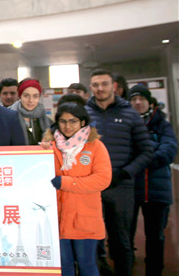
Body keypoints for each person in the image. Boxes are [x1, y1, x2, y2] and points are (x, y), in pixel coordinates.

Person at [85, 69, 153, 276]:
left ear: (113, 86)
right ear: (91, 87)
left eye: (104, 84)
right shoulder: (83, 114)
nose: (100, 88)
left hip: (120, 187)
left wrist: (124, 173)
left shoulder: (130, 114)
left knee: (121, 241)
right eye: (95, 85)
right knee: (90, 241)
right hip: (90, 187)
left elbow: (146, 151)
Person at [41, 102, 111, 276]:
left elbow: (102, 180)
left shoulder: (95, 146)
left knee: (87, 265)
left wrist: (67, 183)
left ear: (82, 122)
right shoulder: (49, 146)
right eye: (63, 121)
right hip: (57, 218)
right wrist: (40, 151)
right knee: (63, 267)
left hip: (84, 218)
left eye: (73, 121)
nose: (68, 126)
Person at [128, 85, 177, 276]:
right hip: (130, 189)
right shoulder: (125, 124)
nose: (138, 102)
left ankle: (155, 270)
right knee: (125, 234)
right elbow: (123, 151)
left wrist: (142, 157)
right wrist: (151, 149)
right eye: (134, 99)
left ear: (150, 102)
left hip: (157, 191)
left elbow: (169, 150)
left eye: (142, 99)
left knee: (155, 236)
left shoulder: (162, 124)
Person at [9, 78, 52, 145]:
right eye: (26, 96)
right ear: (20, 96)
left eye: (35, 96)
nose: (31, 100)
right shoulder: (8, 117)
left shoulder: (46, 120)